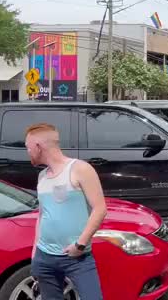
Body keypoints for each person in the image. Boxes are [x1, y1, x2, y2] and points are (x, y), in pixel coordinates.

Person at [26, 123, 107, 299]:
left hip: (77, 258)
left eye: (28, 148)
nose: (28, 152)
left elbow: (100, 209)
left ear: (39, 147)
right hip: (44, 256)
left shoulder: (80, 169)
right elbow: (42, 215)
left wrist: (80, 244)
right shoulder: (42, 176)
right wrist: (35, 252)